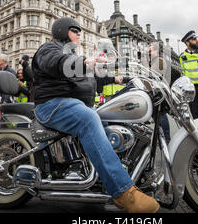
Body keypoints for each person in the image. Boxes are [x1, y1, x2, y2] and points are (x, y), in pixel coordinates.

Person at [32, 17, 159, 213]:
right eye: (75, 30)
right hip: (52, 104)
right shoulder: (50, 49)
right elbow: (58, 63)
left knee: (115, 117)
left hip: (73, 103)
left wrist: (121, 77)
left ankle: (111, 172)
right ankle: (122, 191)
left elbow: (88, 79)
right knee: (88, 119)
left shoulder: (73, 55)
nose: (79, 33)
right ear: (63, 31)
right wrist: (85, 61)